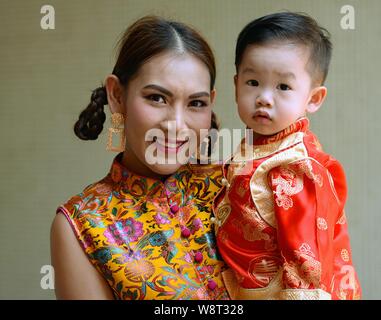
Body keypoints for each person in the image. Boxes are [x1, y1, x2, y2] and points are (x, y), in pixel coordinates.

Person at [51, 15, 230, 300]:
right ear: (117, 95)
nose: (177, 124)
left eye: (196, 103)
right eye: (157, 98)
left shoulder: (239, 188)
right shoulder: (83, 223)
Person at [213, 12, 361, 300]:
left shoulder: (295, 166)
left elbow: (306, 257)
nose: (264, 97)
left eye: (283, 87)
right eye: (253, 82)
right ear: (236, 84)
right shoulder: (256, 146)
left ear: (313, 98)